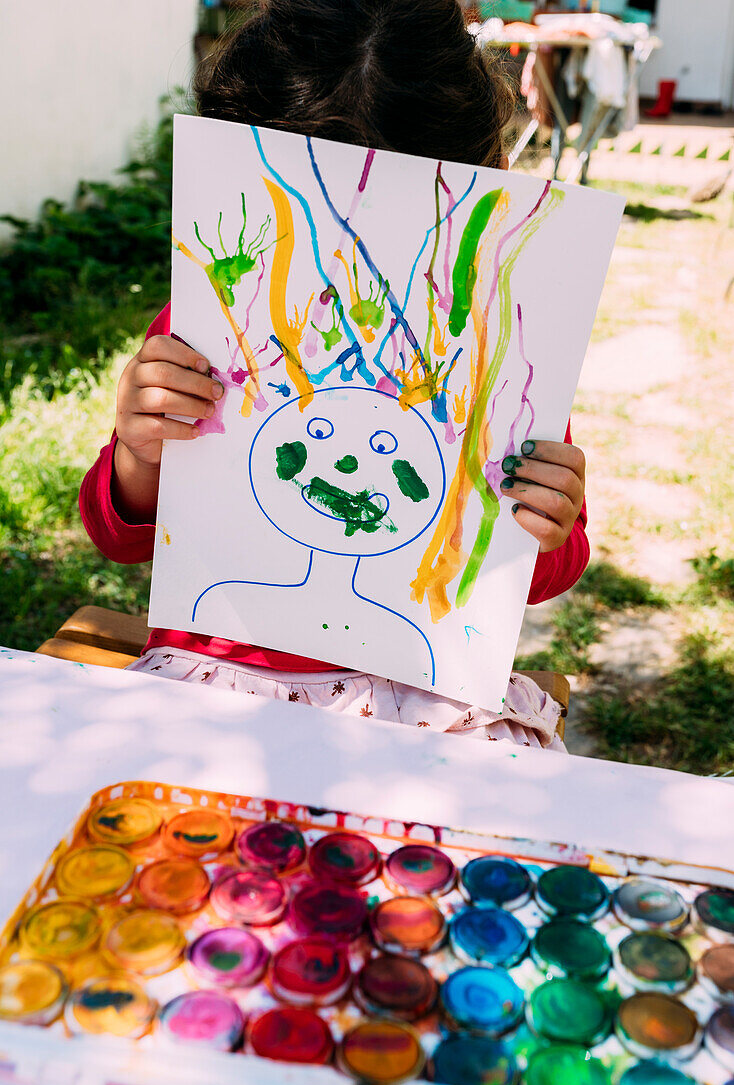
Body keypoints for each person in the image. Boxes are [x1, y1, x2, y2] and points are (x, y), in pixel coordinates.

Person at [80, 0, 588, 751]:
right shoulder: (208, 329)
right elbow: (119, 534)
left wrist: (548, 524)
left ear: (494, 178)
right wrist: (135, 453)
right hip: (220, 679)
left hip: (429, 696)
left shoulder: (497, 352)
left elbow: (543, 574)